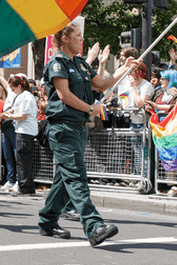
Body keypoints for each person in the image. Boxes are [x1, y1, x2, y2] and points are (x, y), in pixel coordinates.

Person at [38, 22, 135, 247]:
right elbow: (64, 95)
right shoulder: (57, 63)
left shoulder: (80, 63)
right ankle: (93, 226)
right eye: (77, 36)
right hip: (63, 127)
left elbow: (102, 83)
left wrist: (125, 67)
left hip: (79, 128)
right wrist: (90, 108)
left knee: (65, 178)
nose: (81, 40)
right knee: (76, 176)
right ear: (64, 38)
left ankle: (48, 220)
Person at [0, 74, 39, 197]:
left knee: (23, 160)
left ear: (19, 86)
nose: (12, 91)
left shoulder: (26, 97)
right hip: (22, 130)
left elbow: (23, 115)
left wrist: (9, 116)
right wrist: (8, 112)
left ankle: (25, 187)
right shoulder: (21, 96)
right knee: (22, 160)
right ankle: (25, 186)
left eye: (13, 88)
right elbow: (14, 109)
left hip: (25, 130)